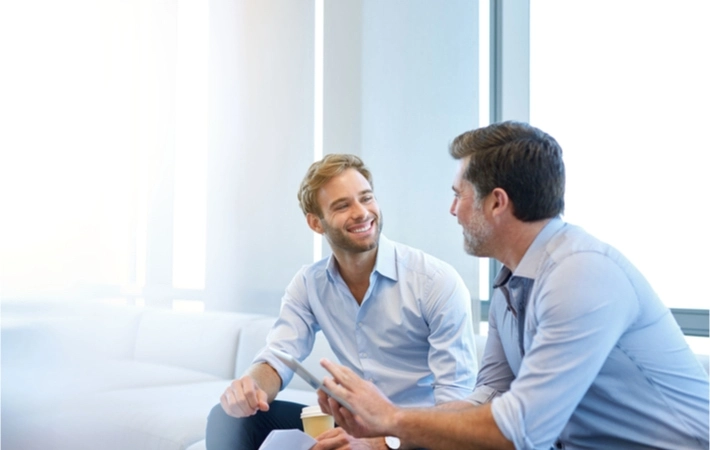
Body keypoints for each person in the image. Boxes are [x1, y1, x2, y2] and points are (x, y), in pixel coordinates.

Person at [318, 121, 710, 449]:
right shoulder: (513, 282)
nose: (452, 210)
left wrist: (393, 418)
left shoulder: (581, 274)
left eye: (459, 195)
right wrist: (382, 429)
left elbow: (519, 429)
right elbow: (489, 396)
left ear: (497, 202)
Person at [205, 153, 478, 450]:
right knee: (230, 418)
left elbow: (457, 410)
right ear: (315, 223)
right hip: (353, 424)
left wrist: (379, 444)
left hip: (418, 435)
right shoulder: (310, 284)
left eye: (366, 198)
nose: (362, 212)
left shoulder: (434, 282)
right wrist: (249, 389)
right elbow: (278, 356)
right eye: (343, 205)